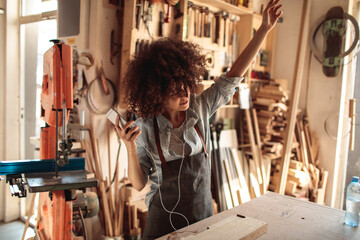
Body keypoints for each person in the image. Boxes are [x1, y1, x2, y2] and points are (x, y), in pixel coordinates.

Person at [114, 0, 282, 239]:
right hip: (162, 224)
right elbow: (139, 184)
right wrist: (129, 147)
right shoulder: (145, 128)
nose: (185, 94)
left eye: (186, 85)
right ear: (156, 92)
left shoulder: (200, 108)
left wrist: (264, 29)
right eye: (175, 90)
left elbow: (233, 77)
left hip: (203, 219)